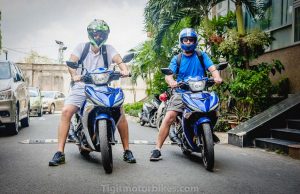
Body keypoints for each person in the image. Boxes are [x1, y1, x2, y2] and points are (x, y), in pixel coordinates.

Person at [49, 19, 136, 166]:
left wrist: (125, 70)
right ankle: (59, 152)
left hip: (103, 86)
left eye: (101, 34)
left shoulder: (109, 49)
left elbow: (120, 61)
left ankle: (127, 150)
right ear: (90, 34)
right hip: (82, 85)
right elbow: (72, 62)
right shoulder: (81, 48)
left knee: (120, 111)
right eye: (95, 33)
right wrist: (74, 75)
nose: (98, 36)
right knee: (66, 111)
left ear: (106, 35)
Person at [150, 28, 223, 161]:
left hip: (200, 92)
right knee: (170, 117)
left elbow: (212, 69)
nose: (188, 42)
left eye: (191, 40)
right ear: (181, 41)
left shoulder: (201, 56)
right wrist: (171, 81)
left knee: (213, 110)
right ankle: (157, 149)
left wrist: (217, 77)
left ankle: (207, 133)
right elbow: (169, 75)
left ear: (195, 42)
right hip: (182, 93)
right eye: (185, 40)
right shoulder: (177, 58)